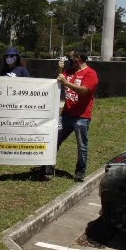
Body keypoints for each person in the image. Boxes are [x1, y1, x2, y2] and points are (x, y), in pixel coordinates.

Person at [42, 49, 99, 182]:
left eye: (71, 57)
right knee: (55, 139)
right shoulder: (69, 71)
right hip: (66, 115)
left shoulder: (90, 74)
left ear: (78, 58)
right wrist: (60, 69)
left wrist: (66, 83)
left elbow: (84, 91)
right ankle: (48, 168)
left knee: (82, 145)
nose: (68, 59)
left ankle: (80, 172)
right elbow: (58, 80)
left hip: (82, 117)